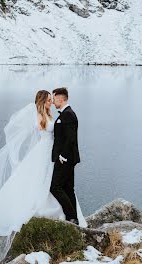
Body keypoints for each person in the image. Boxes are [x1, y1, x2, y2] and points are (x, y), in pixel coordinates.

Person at [0, 89, 87, 263]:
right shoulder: (39, 117)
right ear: (44, 100)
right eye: (49, 99)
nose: (51, 101)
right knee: (42, 183)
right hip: (43, 153)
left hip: (53, 154)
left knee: (56, 184)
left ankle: (68, 215)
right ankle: (57, 214)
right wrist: (16, 157)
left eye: (53, 98)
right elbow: (23, 133)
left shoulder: (52, 115)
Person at [50, 87, 80, 224]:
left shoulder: (68, 114)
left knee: (55, 187)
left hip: (65, 158)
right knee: (68, 188)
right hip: (67, 158)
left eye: (54, 98)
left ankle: (71, 216)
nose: (52, 101)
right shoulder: (65, 113)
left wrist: (62, 155)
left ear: (61, 99)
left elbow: (70, 138)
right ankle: (74, 219)